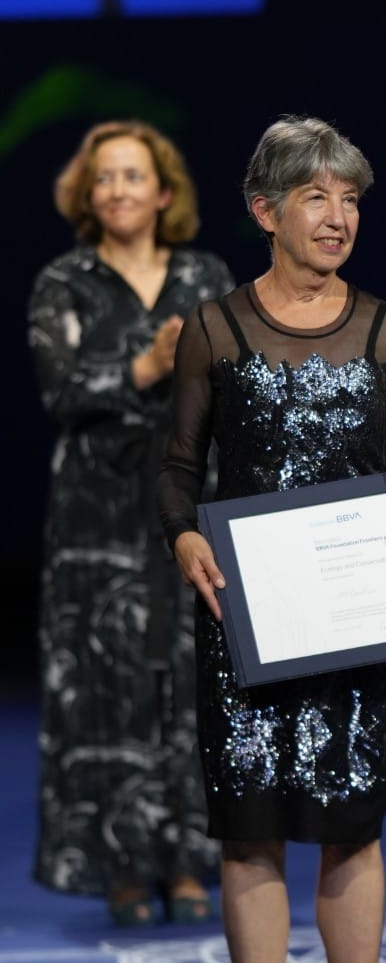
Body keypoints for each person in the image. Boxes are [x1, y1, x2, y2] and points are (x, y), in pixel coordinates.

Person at [156, 115, 386, 962]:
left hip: (359, 624)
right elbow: (178, 465)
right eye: (315, 196)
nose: (337, 217)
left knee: (351, 823)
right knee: (250, 829)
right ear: (264, 210)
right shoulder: (215, 327)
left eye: (350, 199)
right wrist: (182, 536)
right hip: (247, 616)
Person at [27, 120, 235, 926]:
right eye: (103, 177)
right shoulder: (63, 281)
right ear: (88, 194)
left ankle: (188, 860)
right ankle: (120, 863)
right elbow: (61, 390)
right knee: (107, 684)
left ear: (164, 191)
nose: (118, 189)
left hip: (190, 500)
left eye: (132, 175)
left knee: (191, 676)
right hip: (96, 517)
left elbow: (235, 381)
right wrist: (145, 367)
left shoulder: (206, 274)